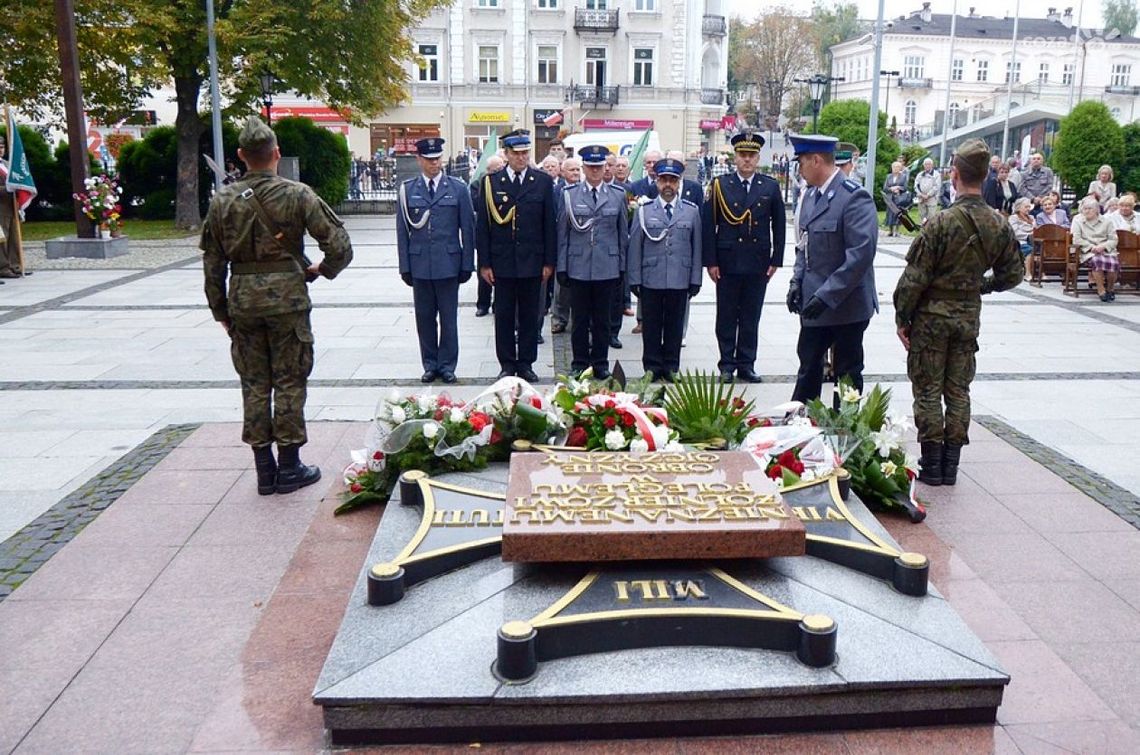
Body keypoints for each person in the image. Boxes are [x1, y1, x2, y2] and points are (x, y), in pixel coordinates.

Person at [200, 117, 353, 495]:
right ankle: (290, 467)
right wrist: (322, 269)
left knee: (253, 383)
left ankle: (264, 471)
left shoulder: (221, 201)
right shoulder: (298, 194)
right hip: (288, 302)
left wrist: (220, 311)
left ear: (240, 156)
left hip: (243, 304)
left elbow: (212, 266)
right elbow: (340, 246)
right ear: (276, 154)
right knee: (289, 379)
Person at [893, 139, 1022, 487]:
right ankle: (951, 466)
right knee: (959, 390)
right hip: (968, 318)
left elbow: (913, 280)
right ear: (984, 176)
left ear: (954, 174)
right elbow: (1013, 275)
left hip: (932, 319)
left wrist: (902, 318)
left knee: (928, 389)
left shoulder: (940, 223)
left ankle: (932, 465)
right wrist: (980, 286)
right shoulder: (998, 224)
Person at [786, 134, 878, 404]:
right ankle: (800, 430)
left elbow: (859, 256)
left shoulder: (854, 197)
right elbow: (804, 246)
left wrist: (826, 295)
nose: (799, 170)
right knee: (808, 368)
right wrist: (796, 281)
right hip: (815, 303)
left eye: (801, 162)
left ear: (816, 160)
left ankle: (844, 434)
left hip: (846, 305)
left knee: (846, 376)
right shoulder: (811, 196)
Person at [702, 130, 786, 383]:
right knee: (726, 315)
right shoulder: (720, 185)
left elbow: (779, 226)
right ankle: (727, 364)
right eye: (742, 155)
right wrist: (711, 261)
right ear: (735, 157)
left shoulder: (769, 186)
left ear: (758, 158)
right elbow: (709, 225)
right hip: (727, 261)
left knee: (751, 316)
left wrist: (776, 259)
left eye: (751, 155)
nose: (747, 160)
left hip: (758, 262)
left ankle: (746, 364)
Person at [475, 129, 556, 382]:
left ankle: (527, 363)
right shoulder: (491, 183)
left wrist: (549, 261)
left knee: (531, 316)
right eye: (517, 153)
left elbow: (549, 225)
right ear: (506, 154)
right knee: (504, 315)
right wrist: (485, 263)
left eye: (525, 153)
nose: (522, 158)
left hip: (533, 261)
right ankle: (507, 363)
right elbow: (483, 227)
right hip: (503, 262)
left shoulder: (542, 181)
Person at [397, 137, 476, 385]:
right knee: (424, 318)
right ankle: (430, 364)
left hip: (448, 264)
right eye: (429, 160)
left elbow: (468, 229)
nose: (434, 164)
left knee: (449, 318)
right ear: (419, 160)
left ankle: (448, 365)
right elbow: (402, 232)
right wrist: (405, 267)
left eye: (437, 159)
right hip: (420, 265)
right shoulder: (408, 190)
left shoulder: (457, 188)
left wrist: (467, 263)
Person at [556, 145, 628, 379]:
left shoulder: (617, 195)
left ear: (605, 167)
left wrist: (621, 267)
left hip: (606, 266)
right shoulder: (570, 194)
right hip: (578, 266)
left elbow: (621, 234)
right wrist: (562, 266)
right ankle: (579, 362)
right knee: (579, 319)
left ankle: (600, 361)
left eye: (599, 166)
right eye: (591, 166)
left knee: (602, 319)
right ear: (584, 167)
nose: (595, 171)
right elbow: (563, 234)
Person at [627, 157, 702, 382]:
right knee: (651, 326)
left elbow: (696, 246)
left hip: (680, 277)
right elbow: (635, 247)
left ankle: (671, 366)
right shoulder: (644, 210)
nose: (668, 185)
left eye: (673, 180)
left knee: (674, 324)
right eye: (663, 180)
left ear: (679, 183)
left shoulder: (691, 211)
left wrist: (695, 278)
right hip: (651, 277)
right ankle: (651, 367)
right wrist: (634, 278)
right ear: (656, 182)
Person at [1071, 195, 1120, 302]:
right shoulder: (1079, 222)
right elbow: (1077, 239)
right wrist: (1091, 247)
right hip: (1089, 251)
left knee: (1113, 263)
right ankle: (1101, 290)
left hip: (1106, 250)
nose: (1087, 211)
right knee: (1097, 261)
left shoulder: (1107, 222)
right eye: (1085, 209)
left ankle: (1110, 288)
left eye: (1090, 209)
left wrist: (1104, 246)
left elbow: (1113, 239)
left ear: (1097, 210)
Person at [473, 154, 505, 318]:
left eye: (501, 167)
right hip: (486, 234)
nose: (500, 170)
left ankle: (497, 304)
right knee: (483, 272)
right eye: (496, 169)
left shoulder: (505, 182)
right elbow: (476, 203)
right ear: (488, 170)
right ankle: (483, 304)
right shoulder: (481, 182)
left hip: (502, 236)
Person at [0, 135, 25, 279]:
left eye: (2, 147)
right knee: (2, 239)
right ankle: (3, 267)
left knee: (14, 238)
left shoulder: (7, 164)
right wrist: (7, 189)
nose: (0, 150)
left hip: (11, 205)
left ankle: (15, 265)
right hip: (1, 205)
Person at [1008, 197, 1036, 279]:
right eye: (1026, 207)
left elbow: (1036, 229)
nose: (1028, 209)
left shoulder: (1031, 218)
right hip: (1019, 241)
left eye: (1029, 206)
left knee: (1042, 248)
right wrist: (1028, 235)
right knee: (1029, 249)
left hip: (1033, 240)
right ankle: (1027, 273)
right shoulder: (1014, 218)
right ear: (1019, 207)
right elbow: (1015, 232)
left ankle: (1042, 273)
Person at [883, 161, 909, 236]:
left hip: (899, 198)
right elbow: (885, 188)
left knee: (898, 214)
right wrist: (891, 189)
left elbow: (905, 187)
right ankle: (890, 231)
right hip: (890, 198)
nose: (895, 169)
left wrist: (898, 188)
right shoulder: (888, 176)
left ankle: (897, 231)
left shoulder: (903, 176)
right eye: (894, 167)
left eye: (897, 167)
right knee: (890, 214)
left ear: (900, 168)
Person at [914, 158, 942, 225]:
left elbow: (936, 187)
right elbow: (916, 185)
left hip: (932, 199)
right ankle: (923, 230)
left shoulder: (936, 174)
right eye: (926, 164)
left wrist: (928, 195)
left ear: (932, 165)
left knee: (931, 216)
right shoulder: (920, 174)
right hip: (921, 198)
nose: (927, 166)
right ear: (923, 165)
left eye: (929, 164)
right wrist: (920, 194)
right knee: (922, 215)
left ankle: (931, 231)